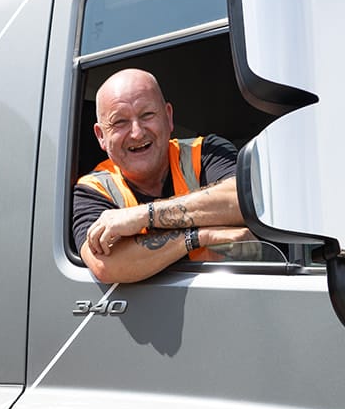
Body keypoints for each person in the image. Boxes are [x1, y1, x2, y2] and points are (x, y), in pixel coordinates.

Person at [72, 67, 251, 284]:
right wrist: (198, 236)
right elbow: (106, 265)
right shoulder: (92, 190)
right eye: (120, 122)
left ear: (168, 117)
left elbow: (243, 201)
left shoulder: (207, 151)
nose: (137, 132)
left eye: (147, 115)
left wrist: (144, 215)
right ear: (101, 136)